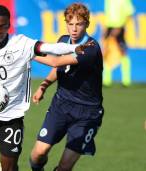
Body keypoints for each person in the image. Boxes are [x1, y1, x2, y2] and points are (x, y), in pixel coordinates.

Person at [0, 4, 92, 171]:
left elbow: (50, 47)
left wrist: (73, 48)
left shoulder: (21, 44)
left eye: (3, 26)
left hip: (11, 116)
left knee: (9, 168)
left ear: (9, 25)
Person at [29, 3, 104, 171]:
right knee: (38, 154)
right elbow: (59, 68)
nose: (74, 29)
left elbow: (55, 61)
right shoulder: (63, 41)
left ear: (87, 24)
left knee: (64, 167)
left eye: (79, 24)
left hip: (87, 113)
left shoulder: (90, 48)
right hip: (61, 105)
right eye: (70, 24)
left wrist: (28, 52)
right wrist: (44, 85)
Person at [102, 0, 135, 87]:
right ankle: (106, 81)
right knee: (106, 52)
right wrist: (105, 29)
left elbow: (129, 14)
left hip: (119, 27)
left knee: (123, 52)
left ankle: (126, 81)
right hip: (109, 27)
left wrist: (120, 27)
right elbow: (108, 15)